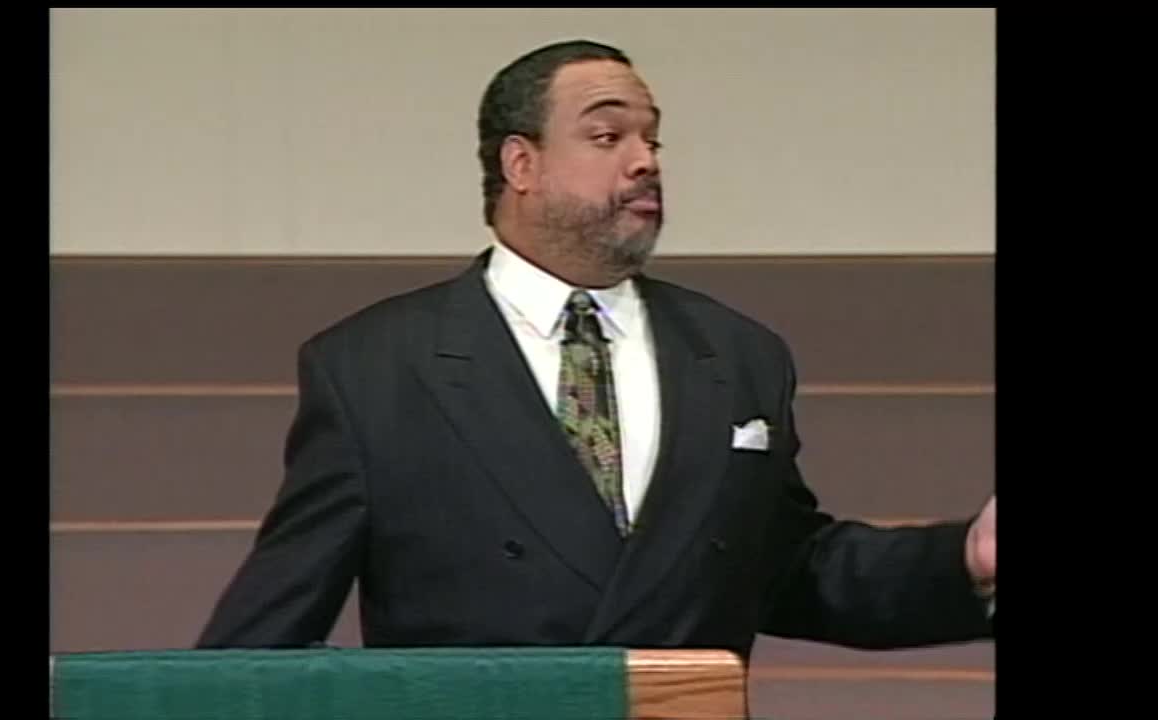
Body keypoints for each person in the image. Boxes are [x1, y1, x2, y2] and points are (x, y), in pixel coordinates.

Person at [196, 39, 995, 658]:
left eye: (653, 139)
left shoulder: (739, 354)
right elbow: (265, 635)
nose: (645, 160)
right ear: (521, 164)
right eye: (608, 134)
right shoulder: (373, 368)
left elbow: (787, 572)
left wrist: (968, 556)